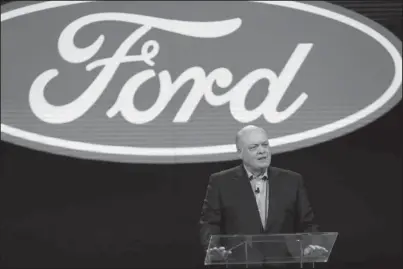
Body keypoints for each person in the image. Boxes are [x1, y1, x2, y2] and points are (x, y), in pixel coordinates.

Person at [199, 125, 327, 268]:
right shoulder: (221, 182)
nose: (262, 151)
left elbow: (307, 223)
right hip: (241, 264)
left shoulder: (292, 180)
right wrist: (213, 249)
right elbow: (210, 223)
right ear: (240, 153)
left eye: (265, 145)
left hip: (282, 265)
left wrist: (312, 245)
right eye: (253, 147)